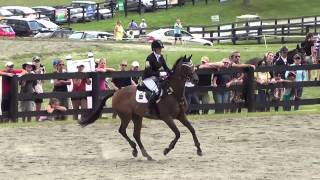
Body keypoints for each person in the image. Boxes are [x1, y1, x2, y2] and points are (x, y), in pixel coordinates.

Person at [142, 40, 171, 115]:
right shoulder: (149, 58)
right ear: (154, 49)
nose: (160, 50)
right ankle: (148, 109)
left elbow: (166, 68)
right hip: (147, 78)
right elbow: (148, 71)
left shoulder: (161, 57)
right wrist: (160, 74)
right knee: (156, 90)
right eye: (159, 48)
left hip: (155, 77)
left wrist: (171, 72)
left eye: (161, 48)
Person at [32, 56, 46, 121]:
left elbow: (43, 81)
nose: (37, 62)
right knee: (32, 105)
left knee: (39, 105)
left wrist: (41, 73)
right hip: (32, 88)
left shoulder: (42, 69)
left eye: (38, 61)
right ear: (33, 62)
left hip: (39, 87)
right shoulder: (31, 68)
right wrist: (37, 72)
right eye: (35, 61)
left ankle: (37, 119)